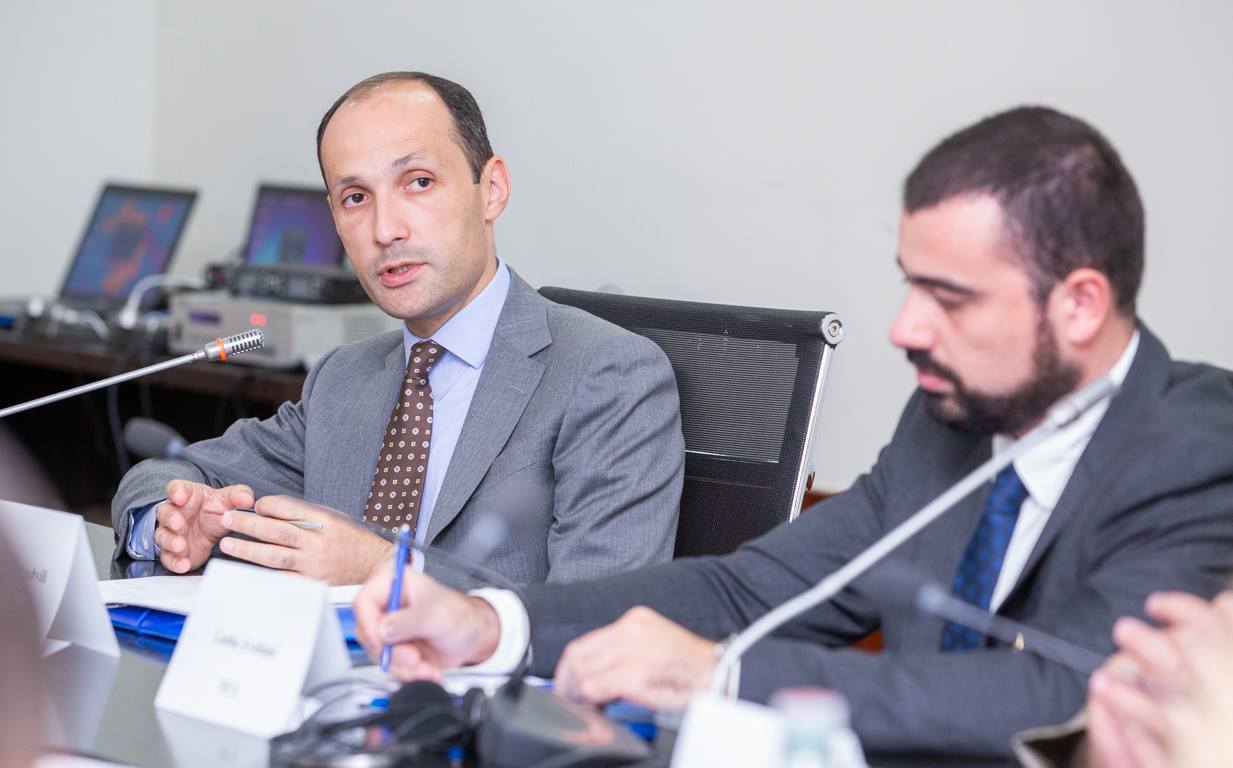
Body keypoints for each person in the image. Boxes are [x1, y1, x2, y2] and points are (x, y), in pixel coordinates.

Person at [352, 106, 1233, 765]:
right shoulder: (949, 423)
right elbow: (753, 590)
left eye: (949, 298)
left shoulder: (1196, 447)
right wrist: (490, 623)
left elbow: (1069, 687)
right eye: (910, 285)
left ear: (1078, 304)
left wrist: (718, 677)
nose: (905, 328)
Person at [111, 72, 685, 587]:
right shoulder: (343, 378)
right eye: (355, 198)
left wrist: (386, 570)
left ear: (492, 189)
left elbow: (599, 612)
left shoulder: (607, 374)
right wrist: (166, 521)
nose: (385, 229)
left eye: (418, 182)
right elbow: (172, 471)